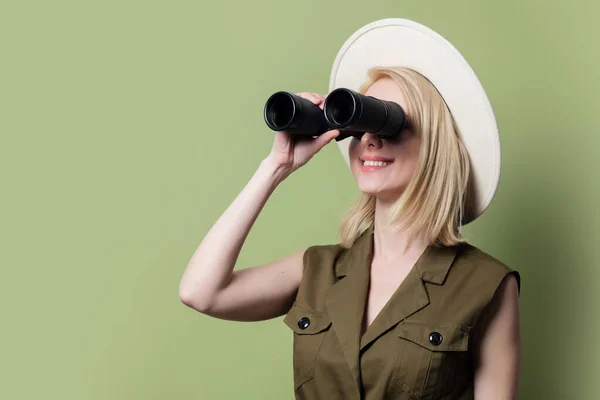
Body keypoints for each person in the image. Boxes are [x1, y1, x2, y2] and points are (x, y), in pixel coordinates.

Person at [179, 19, 521, 400]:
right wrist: (275, 167)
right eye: (360, 126)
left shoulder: (486, 284)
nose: (370, 140)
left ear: (435, 144)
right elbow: (200, 291)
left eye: (388, 122)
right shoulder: (318, 270)